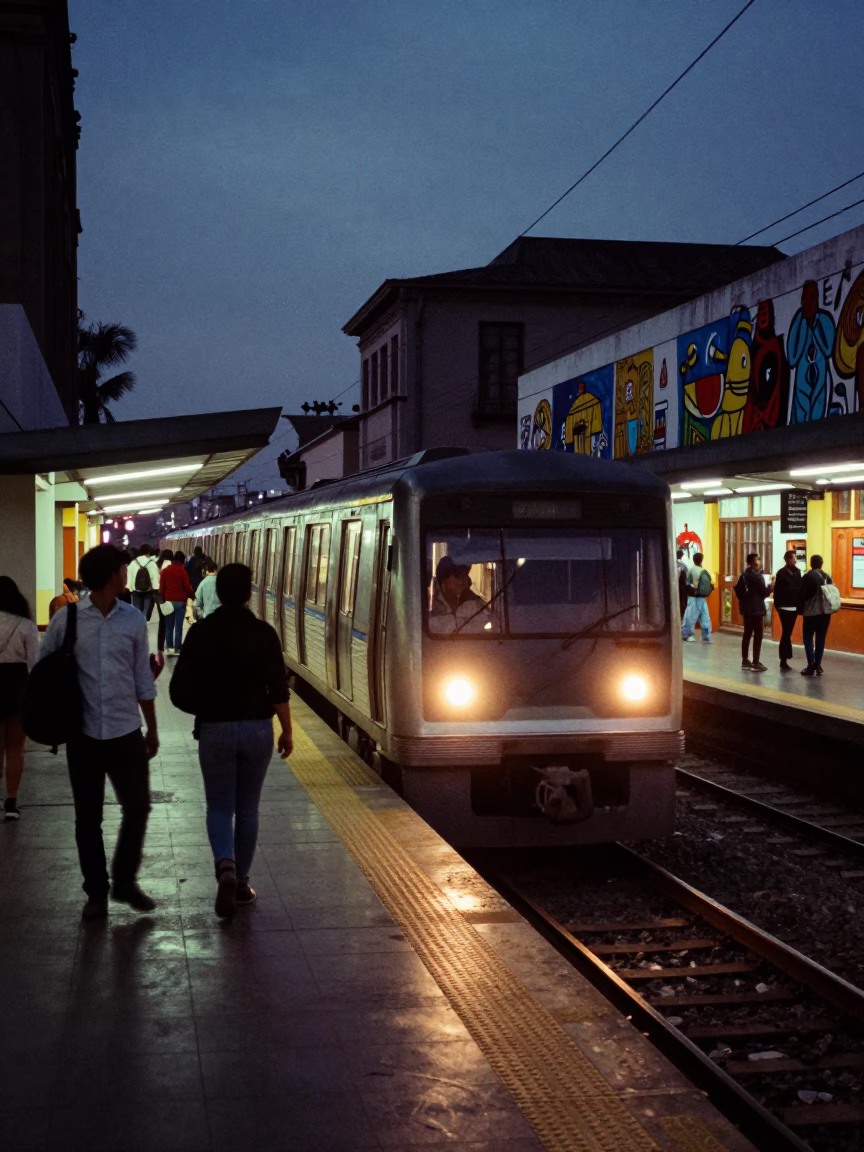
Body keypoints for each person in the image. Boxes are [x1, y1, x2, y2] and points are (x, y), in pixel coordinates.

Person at [39, 545, 158, 919]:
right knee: (88, 816)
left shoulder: (133, 620)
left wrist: (151, 729)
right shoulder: (68, 619)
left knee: (137, 807)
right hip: (84, 734)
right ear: (111, 575)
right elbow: (44, 670)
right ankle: (96, 889)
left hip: (125, 730)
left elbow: (142, 677)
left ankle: (124, 881)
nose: (128, 575)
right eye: (124, 569)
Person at [169, 563, 292, 917]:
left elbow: (178, 691)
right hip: (257, 729)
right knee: (248, 807)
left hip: (216, 730)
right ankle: (240, 881)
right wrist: (287, 729)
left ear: (218, 593)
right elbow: (278, 689)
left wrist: (205, 710)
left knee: (220, 806)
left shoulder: (202, 633)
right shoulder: (264, 633)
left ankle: (225, 865)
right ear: (250, 593)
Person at [0, 577, 40, 821]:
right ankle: (11, 803)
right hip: (17, 687)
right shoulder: (25, 625)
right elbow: (34, 664)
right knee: (15, 749)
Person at [428, 556, 490, 634]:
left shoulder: (478, 606)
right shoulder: (431, 609)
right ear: (444, 581)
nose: (462, 581)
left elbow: (489, 631)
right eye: (457, 575)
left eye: (465, 575)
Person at [735, 552, 772, 672]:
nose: (759, 563)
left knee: (746, 635)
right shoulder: (758, 577)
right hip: (757, 610)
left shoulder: (743, 576)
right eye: (758, 561)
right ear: (754, 563)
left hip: (747, 610)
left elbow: (739, 593)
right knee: (758, 636)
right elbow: (764, 593)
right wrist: (771, 586)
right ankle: (755, 662)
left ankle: (745, 661)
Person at [799, 555, 834, 677]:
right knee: (821, 638)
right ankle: (818, 664)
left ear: (811, 563)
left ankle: (811, 665)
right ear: (821, 563)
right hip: (825, 613)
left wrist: (799, 609)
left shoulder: (807, 577)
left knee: (808, 638)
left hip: (811, 613)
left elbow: (802, 595)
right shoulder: (828, 576)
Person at [159, 550, 194, 655]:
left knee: (169, 626)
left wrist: (164, 599)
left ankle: (169, 648)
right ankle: (178, 648)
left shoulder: (165, 571)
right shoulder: (182, 571)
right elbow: (187, 586)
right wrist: (191, 595)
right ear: (183, 561)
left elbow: (161, 588)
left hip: (168, 601)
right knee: (178, 626)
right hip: (180, 602)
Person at [773, 550, 802, 672]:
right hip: (784, 608)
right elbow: (777, 591)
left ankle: (785, 658)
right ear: (788, 560)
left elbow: (800, 590)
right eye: (794, 558)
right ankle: (783, 659)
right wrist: (778, 606)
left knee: (787, 632)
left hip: (794, 607)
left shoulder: (798, 572)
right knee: (786, 633)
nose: (795, 560)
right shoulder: (781, 573)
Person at [681, 552, 713, 643]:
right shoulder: (702, 570)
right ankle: (705, 635)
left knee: (691, 616)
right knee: (705, 616)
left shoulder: (691, 570)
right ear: (701, 560)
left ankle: (688, 634)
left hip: (694, 596)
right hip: (700, 597)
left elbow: (688, 584)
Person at [128, 544, 161, 620]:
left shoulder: (133, 563)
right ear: (148, 553)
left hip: (135, 590)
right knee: (146, 611)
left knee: (136, 609)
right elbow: (155, 576)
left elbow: (129, 575)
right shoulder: (151, 563)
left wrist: (130, 588)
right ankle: (143, 622)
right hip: (148, 590)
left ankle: (137, 625)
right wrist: (156, 588)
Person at [155, 548, 174, 654]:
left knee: (162, 621)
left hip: (158, 595)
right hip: (167, 594)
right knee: (169, 620)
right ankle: (169, 645)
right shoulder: (169, 565)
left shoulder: (157, 564)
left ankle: (160, 645)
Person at [676, 548, 689, 620]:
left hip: (677, 586)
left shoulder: (675, 564)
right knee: (683, 600)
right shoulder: (683, 565)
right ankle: (682, 615)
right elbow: (686, 577)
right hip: (682, 586)